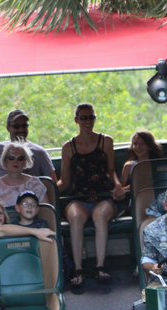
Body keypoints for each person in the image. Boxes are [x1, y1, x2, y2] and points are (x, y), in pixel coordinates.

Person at [57, 102, 125, 287]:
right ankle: (78, 269)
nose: (88, 121)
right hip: (79, 197)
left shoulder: (106, 141)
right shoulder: (68, 147)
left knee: (100, 215)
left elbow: (111, 171)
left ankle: (100, 267)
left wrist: (118, 185)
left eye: (91, 117)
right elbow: (65, 181)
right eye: (84, 118)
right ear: (76, 120)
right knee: (76, 217)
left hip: (102, 195)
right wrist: (45, 190)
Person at [0, 109, 56, 178]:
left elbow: (53, 184)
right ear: (8, 128)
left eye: (24, 125)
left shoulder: (39, 152)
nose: (21, 129)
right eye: (16, 126)